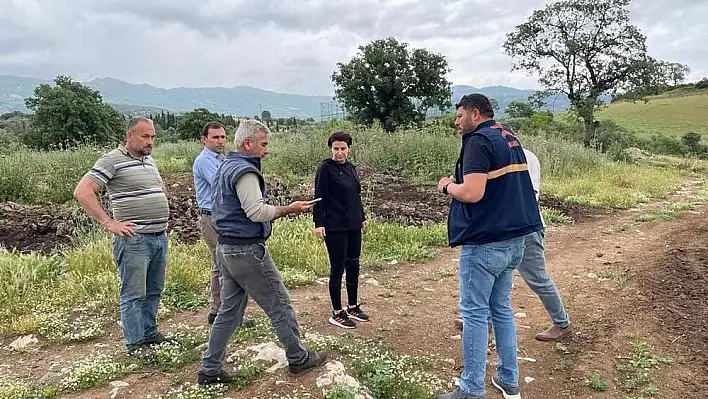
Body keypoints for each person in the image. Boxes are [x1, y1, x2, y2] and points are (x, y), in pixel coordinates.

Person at [197, 120, 327, 385]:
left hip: (226, 248)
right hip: (246, 250)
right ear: (248, 143)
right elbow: (256, 212)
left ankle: (210, 369)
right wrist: (289, 209)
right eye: (264, 143)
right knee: (279, 305)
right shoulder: (245, 171)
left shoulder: (225, 166)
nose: (267, 150)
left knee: (228, 312)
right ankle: (298, 358)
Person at [436, 94, 543, 399]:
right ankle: (508, 379)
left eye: (459, 115)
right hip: (515, 240)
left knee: (474, 314)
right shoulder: (508, 136)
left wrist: (446, 186)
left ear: (475, 114)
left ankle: (471, 389)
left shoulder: (478, 141)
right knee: (501, 309)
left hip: (486, 242)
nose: (456, 122)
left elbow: (472, 192)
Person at [453, 124, 572, 341]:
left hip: (523, 227)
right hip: (507, 227)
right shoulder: (508, 154)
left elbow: (526, 194)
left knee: (536, 277)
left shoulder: (524, 157)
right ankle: (484, 319)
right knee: (493, 276)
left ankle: (561, 322)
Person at [74, 117, 170, 356]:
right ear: (129, 136)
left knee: (153, 290)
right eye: (145, 136)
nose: (150, 142)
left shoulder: (149, 161)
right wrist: (109, 222)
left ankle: (150, 333)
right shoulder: (112, 160)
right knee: (134, 293)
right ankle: (136, 344)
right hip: (135, 240)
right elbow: (83, 191)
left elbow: (159, 188)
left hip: (158, 236)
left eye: (152, 137)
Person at [192, 121, 253, 327]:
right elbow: (223, 183)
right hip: (211, 217)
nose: (220, 141)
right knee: (225, 264)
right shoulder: (204, 161)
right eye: (215, 137)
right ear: (204, 139)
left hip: (220, 216)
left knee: (221, 265)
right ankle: (226, 314)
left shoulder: (221, 159)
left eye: (223, 137)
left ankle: (219, 311)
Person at [312, 130, 368, 329]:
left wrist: (361, 218)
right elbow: (319, 197)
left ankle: (352, 306)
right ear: (331, 149)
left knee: (354, 264)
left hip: (353, 224)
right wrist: (319, 223)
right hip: (335, 226)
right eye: (336, 149)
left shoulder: (351, 168)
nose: (339, 152)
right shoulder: (325, 169)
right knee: (338, 268)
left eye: (343, 148)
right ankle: (337, 312)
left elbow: (356, 195)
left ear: (349, 150)